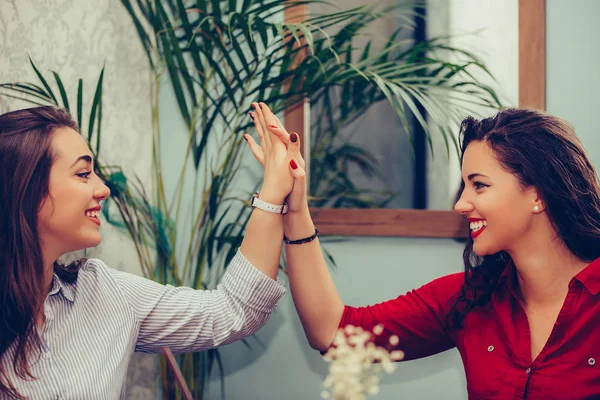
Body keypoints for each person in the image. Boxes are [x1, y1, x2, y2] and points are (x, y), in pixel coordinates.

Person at [245, 104, 600, 398]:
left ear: (537, 194)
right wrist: (295, 207)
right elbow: (335, 333)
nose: (462, 203)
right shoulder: (470, 299)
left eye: (479, 185)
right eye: (464, 186)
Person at [0, 104, 294, 399]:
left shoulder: (104, 291)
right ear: (25, 187)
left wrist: (272, 190)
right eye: (83, 173)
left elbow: (232, 311)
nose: (103, 189)